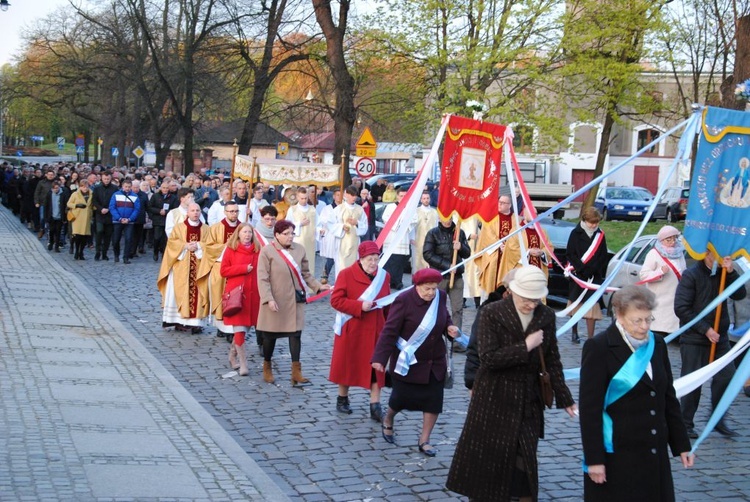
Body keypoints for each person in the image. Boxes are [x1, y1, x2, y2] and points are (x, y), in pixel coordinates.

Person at [446, 266, 576, 501]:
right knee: (488, 464)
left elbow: (553, 359)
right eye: (527, 299)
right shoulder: (491, 313)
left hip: (528, 400)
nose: (531, 304)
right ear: (513, 292)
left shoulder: (545, 315)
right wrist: (525, 346)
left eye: (536, 299)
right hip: (493, 398)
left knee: (525, 463)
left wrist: (564, 397)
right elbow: (488, 358)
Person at [579, 284, 693, 501]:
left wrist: (681, 445)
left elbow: (667, 398)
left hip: (653, 451)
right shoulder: (599, 347)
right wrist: (594, 459)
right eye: (637, 320)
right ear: (619, 316)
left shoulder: (657, 344)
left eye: (648, 319)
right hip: (618, 454)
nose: (644, 327)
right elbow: (590, 409)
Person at [371, 268, 460, 457]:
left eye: (434, 289)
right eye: (427, 289)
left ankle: (424, 439)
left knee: (433, 402)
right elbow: (390, 331)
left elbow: (444, 317)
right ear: (417, 286)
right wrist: (380, 358)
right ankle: (388, 419)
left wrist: (449, 327)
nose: (431, 293)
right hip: (408, 360)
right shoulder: (403, 300)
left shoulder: (440, 297)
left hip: (434, 361)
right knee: (399, 399)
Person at [674, 253, 746, 438]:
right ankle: (685, 423)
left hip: (720, 338)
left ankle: (717, 419)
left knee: (727, 376)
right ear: (706, 255)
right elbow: (681, 308)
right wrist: (705, 329)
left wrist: (730, 273)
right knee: (693, 382)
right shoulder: (691, 275)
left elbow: (740, 294)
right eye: (716, 255)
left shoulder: (724, 273)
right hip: (694, 338)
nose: (720, 258)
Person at [256, 220, 330, 384]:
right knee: (270, 336)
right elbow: (262, 278)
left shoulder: (299, 250)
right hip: (275, 300)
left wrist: (318, 286)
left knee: (295, 335)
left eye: (292, 233)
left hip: (294, 300)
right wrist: (268, 299)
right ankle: (267, 365)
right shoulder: (267, 251)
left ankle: (296, 372)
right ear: (277, 235)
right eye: (286, 234)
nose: (290, 237)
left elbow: (306, 274)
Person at [329, 241, 391, 420]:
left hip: (376, 328)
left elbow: (387, 302)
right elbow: (336, 301)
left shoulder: (384, 276)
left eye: (376, 259)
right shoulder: (346, 274)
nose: (373, 263)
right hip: (353, 327)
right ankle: (342, 398)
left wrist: (391, 324)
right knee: (348, 365)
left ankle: (375, 405)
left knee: (376, 367)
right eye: (370, 259)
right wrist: (359, 306)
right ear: (361, 259)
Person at [157, 202, 209, 334]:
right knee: (178, 291)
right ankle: (179, 320)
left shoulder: (206, 229)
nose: (195, 213)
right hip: (181, 266)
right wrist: (185, 246)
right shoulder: (179, 228)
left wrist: (199, 245)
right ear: (187, 213)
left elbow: (210, 244)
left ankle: (196, 322)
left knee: (199, 292)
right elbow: (172, 243)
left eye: (198, 210)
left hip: (199, 266)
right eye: (193, 210)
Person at [220, 223, 261, 377]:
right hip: (237, 295)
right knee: (239, 329)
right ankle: (243, 363)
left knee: (245, 329)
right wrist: (243, 268)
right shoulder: (231, 249)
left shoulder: (258, 250)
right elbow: (223, 271)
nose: (247, 235)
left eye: (249, 232)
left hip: (254, 295)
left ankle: (232, 354)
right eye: (244, 232)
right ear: (238, 233)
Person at [198, 201, 241, 342]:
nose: (234, 214)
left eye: (236, 211)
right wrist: (226, 246)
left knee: (235, 298)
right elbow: (209, 247)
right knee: (219, 296)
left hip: (237, 269)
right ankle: (221, 327)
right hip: (220, 267)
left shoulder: (243, 227)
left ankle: (231, 329)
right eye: (231, 211)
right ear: (225, 212)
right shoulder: (216, 228)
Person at [565, 207, 609, 343]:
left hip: (593, 276)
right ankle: (574, 332)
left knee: (592, 306)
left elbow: (603, 255)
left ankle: (591, 338)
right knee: (576, 305)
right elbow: (570, 253)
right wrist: (581, 268)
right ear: (585, 220)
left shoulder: (600, 235)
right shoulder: (575, 233)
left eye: (596, 222)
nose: (594, 225)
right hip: (578, 274)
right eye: (591, 222)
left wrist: (593, 269)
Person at [423, 216, 471, 330]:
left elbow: (467, 253)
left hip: (457, 277)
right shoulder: (433, 233)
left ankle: (456, 340)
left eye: (449, 217)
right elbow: (427, 254)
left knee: (457, 309)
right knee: (436, 308)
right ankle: (435, 335)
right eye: (445, 217)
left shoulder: (460, 232)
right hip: (440, 277)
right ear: (439, 217)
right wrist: (447, 266)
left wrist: (461, 247)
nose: (447, 220)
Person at [638, 225, 686, 338]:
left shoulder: (679, 254)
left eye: (674, 239)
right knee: (658, 333)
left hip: (675, 299)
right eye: (668, 239)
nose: (672, 242)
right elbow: (643, 275)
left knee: (674, 332)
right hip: (659, 301)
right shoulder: (653, 254)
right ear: (661, 240)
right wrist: (660, 272)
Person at [497, 207, 550, 285]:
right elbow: (511, 249)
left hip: (538, 272)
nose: (534, 215)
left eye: (535, 213)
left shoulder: (542, 231)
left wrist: (542, 252)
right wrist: (528, 252)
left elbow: (549, 246)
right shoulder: (516, 231)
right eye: (531, 213)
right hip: (521, 272)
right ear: (525, 215)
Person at [476, 194, 514, 296]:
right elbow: (487, 235)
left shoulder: (516, 220)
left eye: (503, 203)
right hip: (493, 256)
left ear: (509, 205)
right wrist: (499, 245)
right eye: (499, 202)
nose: (500, 204)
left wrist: (508, 247)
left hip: (509, 258)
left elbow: (519, 237)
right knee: (490, 287)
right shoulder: (491, 217)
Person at [382, 188, 416, 290]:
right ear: (397, 196)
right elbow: (386, 218)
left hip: (403, 237)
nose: (403, 198)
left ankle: (398, 281)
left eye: (405, 196)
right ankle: (389, 281)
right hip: (391, 236)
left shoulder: (410, 207)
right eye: (401, 196)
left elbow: (414, 219)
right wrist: (398, 224)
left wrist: (405, 224)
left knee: (400, 261)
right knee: (390, 260)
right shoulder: (390, 207)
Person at [331, 186, 368, 277]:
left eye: (355, 195)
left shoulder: (360, 209)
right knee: (342, 265)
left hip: (355, 241)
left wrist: (357, 223)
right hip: (342, 241)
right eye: (351, 195)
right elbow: (331, 224)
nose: (354, 197)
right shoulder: (339, 209)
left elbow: (365, 225)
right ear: (346, 195)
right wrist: (342, 227)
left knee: (354, 264)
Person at [285, 186, 318, 272]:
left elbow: (318, 223)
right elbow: (287, 225)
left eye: (306, 198)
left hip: (310, 241)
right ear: (297, 197)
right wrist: (299, 224)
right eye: (302, 198)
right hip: (298, 240)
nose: (304, 200)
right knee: (298, 262)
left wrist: (320, 230)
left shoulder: (312, 209)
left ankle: (310, 284)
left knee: (310, 262)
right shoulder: (292, 210)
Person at [109, 179, 141, 264]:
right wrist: (119, 218)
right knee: (115, 240)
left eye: (129, 187)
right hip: (117, 221)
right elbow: (112, 207)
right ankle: (116, 254)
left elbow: (137, 209)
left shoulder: (135, 196)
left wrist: (129, 219)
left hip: (129, 221)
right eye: (126, 186)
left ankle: (125, 257)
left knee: (128, 239)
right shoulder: (116, 195)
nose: (127, 188)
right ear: (122, 186)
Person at [317, 188, 342, 284]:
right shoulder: (327, 209)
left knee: (340, 257)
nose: (339, 197)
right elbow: (324, 220)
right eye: (337, 195)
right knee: (331, 257)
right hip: (331, 234)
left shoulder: (344, 208)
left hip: (341, 234)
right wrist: (335, 225)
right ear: (334, 196)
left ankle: (341, 277)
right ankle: (325, 274)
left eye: (341, 195)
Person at [92, 171, 118, 260]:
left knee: (108, 234)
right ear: (101, 179)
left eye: (108, 179)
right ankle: (97, 251)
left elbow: (116, 201)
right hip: (100, 214)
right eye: (105, 179)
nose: (106, 180)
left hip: (110, 214)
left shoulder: (115, 188)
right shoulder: (97, 188)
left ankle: (104, 253)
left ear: (110, 179)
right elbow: (94, 201)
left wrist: (109, 209)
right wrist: (100, 209)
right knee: (99, 232)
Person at [148, 181, 176, 261]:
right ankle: (155, 251)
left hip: (167, 220)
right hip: (157, 219)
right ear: (160, 188)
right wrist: (159, 211)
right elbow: (150, 207)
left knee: (165, 239)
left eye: (167, 188)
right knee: (157, 238)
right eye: (164, 188)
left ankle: (164, 253)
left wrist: (166, 212)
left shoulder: (173, 197)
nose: (165, 189)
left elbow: (175, 209)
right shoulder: (155, 196)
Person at [66, 179, 93, 260]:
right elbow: (69, 203)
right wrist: (76, 205)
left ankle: (81, 252)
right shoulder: (75, 194)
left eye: (86, 187)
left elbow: (92, 204)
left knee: (84, 236)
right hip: (77, 217)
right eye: (83, 187)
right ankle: (77, 251)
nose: (85, 188)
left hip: (87, 217)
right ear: (80, 187)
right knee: (77, 235)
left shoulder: (91, 194)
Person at [413, 192, 439, 273]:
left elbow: (437, 226)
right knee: (417, 260)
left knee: (429, 260)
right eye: (424, 198)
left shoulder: (434, 212)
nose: (426, 200)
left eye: (427, 198)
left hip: (431, 240)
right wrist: (412, 238)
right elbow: (412, 226)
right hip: (418, 239)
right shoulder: (416, 211)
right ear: (421, 200)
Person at [43, 182, 66, 252]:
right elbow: (46, 206)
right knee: (51, 231)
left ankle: (56, 246)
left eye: (57, 188)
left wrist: (64, 217)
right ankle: (51, 242)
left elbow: (65, 205)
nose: (56, 190)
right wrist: (46, 217)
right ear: (52, 189)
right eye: (54, 188)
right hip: (51, 216)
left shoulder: (62, 194)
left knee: (58, 232)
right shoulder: (49, 194)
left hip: (59, 216)